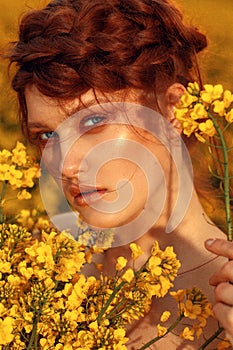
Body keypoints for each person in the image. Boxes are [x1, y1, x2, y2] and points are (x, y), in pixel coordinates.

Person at [7, 0, 228, 348]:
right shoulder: (33, 283)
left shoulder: (223, 307)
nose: (65, 166)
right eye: (47, 135)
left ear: (174, 108)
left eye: (93, 122)